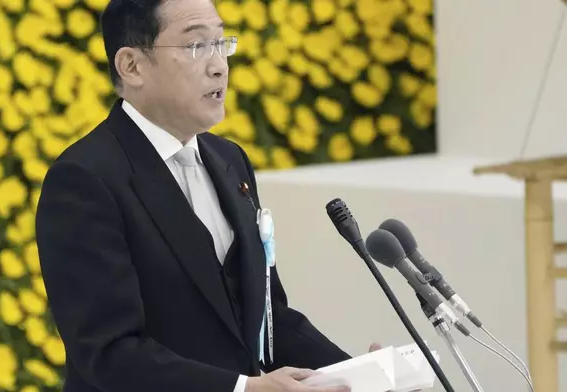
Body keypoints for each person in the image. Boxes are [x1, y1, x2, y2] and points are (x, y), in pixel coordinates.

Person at [35, 0, 373, 390]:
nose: (219, 66)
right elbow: (109, 354)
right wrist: (242, 388)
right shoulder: (85, 179)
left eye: (221, 43)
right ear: (131, 66)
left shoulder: (229, 160)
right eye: (196, 46)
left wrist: (364, 373)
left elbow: (268, 318)